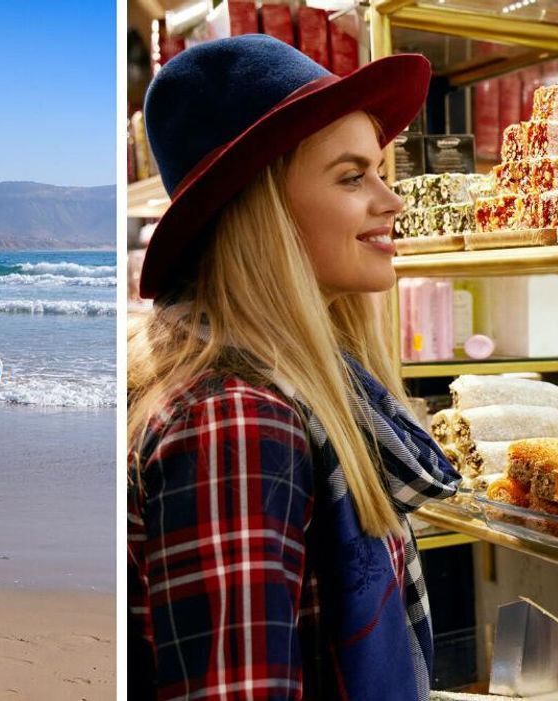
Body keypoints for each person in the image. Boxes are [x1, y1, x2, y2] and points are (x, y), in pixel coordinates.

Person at [127, 36, 461, 700]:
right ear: (263, 213)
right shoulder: (236, 421)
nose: (389, 200)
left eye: (379, 170)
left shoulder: (287, 391)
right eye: (351, 176)